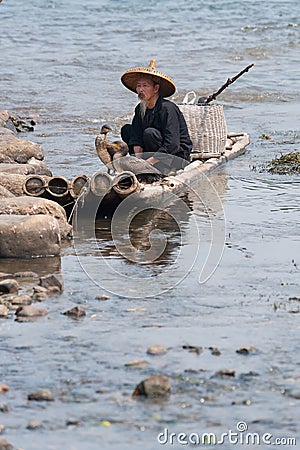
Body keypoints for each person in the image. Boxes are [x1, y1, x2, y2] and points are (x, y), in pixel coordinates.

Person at [120, 60, 192, 174]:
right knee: (127, 130)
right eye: (138, 86)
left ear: (156, 89)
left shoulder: (168, 109)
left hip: (176, 157)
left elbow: (172, 144)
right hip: (152, 151)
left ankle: (158, 167)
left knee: (150, 133)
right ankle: (144, 165)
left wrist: (149, 162)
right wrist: (138, 161)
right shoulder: (140, 108)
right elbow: (136, 136)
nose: (141, 89)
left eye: (145, 86)